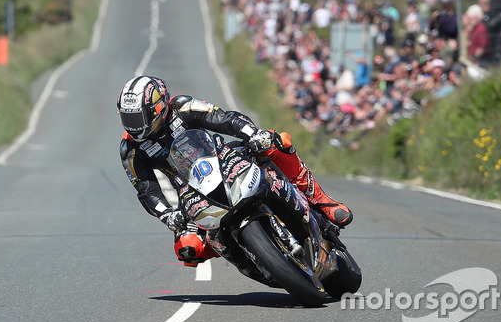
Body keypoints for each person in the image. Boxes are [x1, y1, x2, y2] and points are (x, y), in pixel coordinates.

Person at [117, 75, 353, 266]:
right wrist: (168, 216)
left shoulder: (182, 106)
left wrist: (253, 134)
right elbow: (146, 189)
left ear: (159, 106)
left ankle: (321, 201)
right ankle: (253, 258)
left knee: (278, 141)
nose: (134, 125)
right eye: (128, 118)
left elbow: (224, 118)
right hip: (189, 190)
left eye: (139, 117)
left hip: (223, 157)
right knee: (188, 250)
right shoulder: (131, 148)